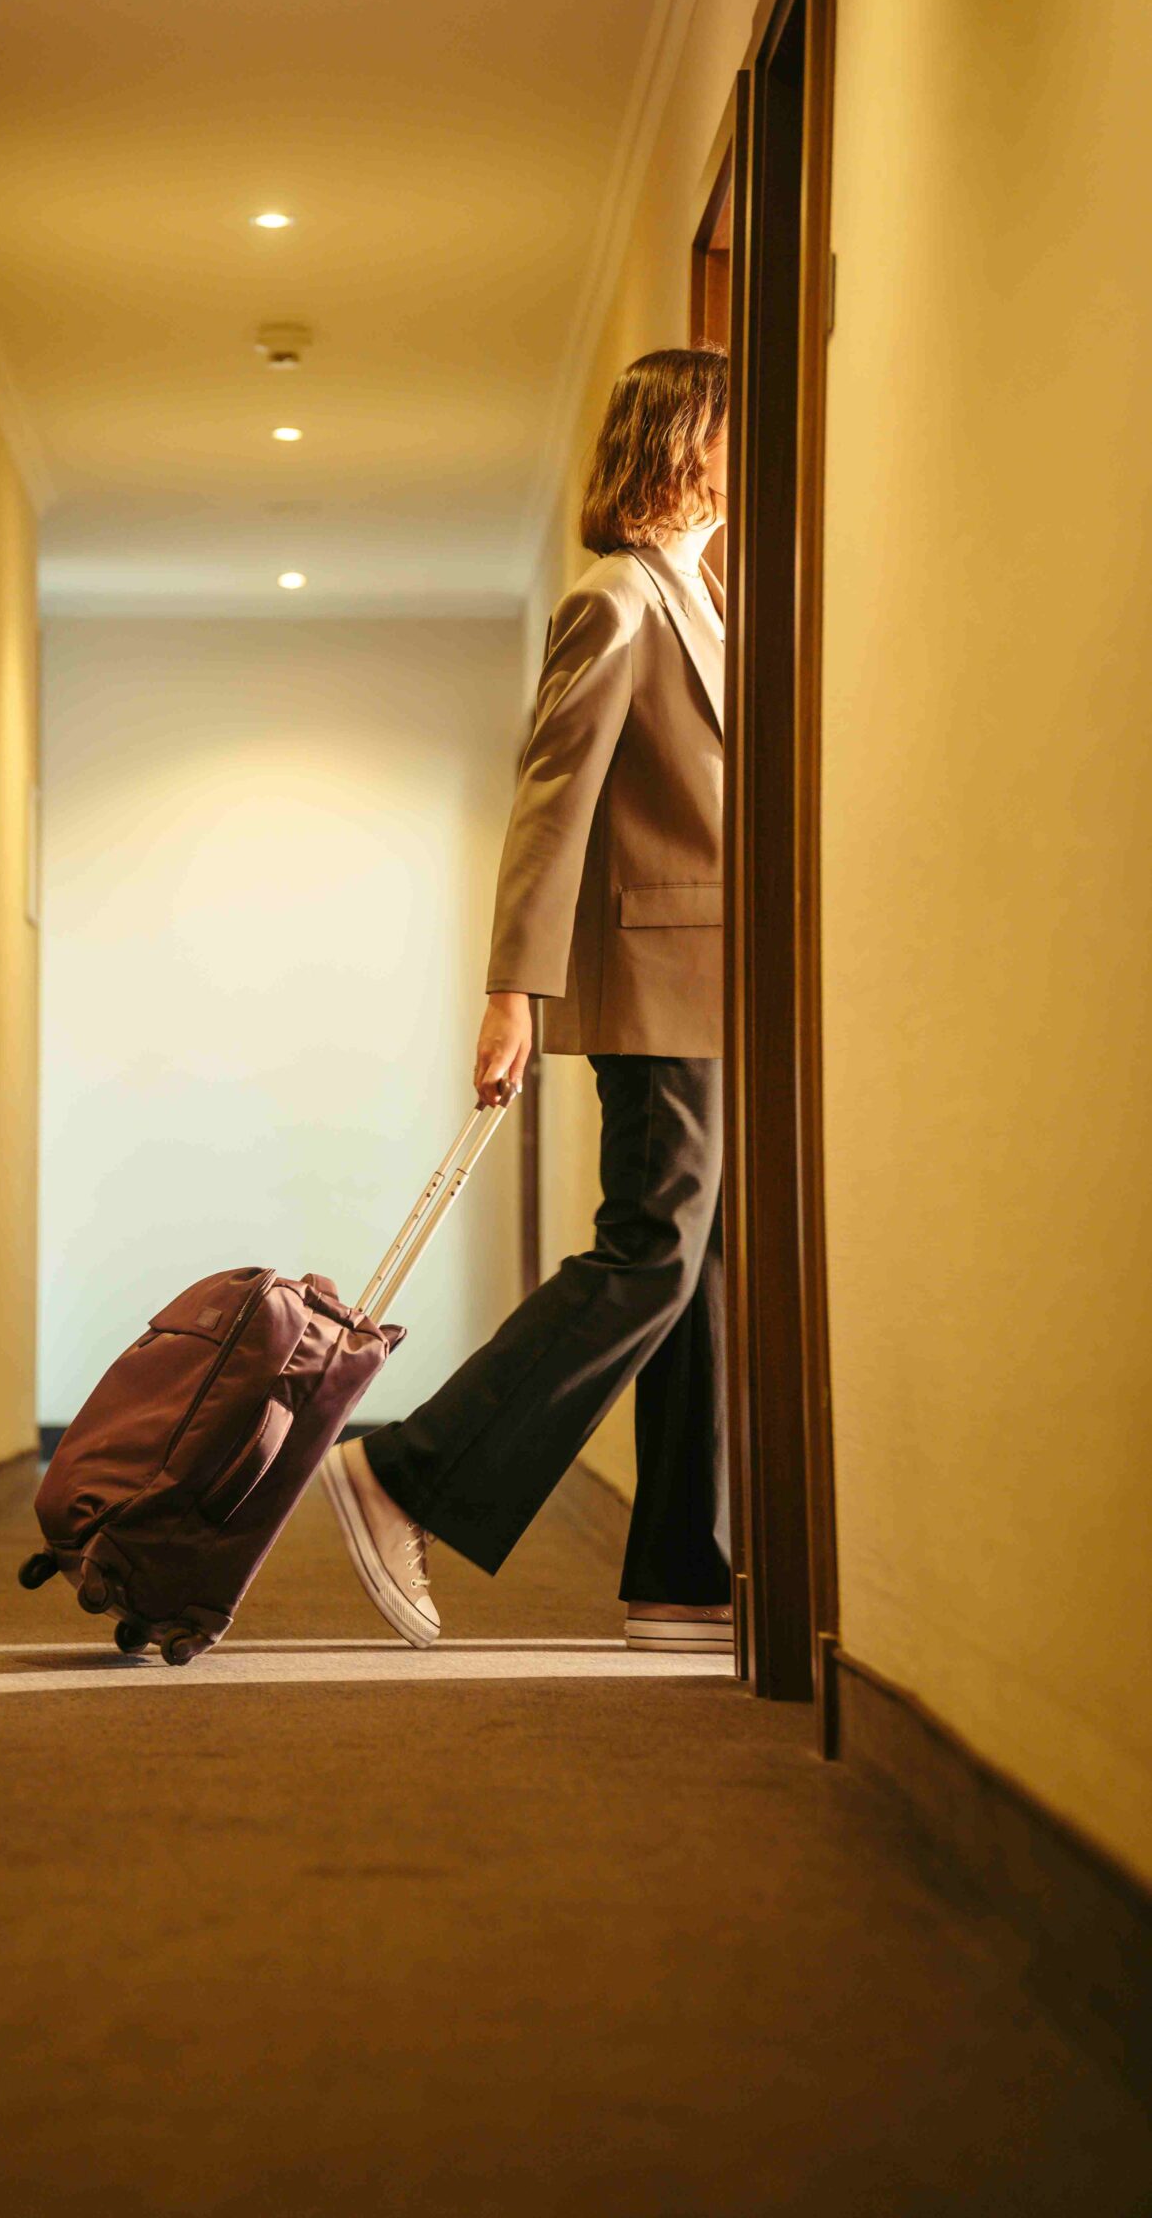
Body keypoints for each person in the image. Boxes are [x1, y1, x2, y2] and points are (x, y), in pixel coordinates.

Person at [323, 345, 733, 1653]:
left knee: (708, 1277)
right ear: (684, 443)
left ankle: (681, 1575)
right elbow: (552, 810)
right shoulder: (618, 602)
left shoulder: (707, 599)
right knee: (651, 1253)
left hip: (727, 994)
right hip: (659, 990)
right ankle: (405, 1470)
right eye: (740, 423)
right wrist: (514, 993)